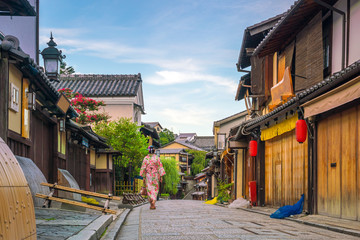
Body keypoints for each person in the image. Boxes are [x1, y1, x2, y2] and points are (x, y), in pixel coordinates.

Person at [140, 145, 165, 210]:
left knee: (149, 188)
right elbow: (160, 167)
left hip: (148, 175)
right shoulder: (157, 158)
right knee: (155, 188)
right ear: (154, 151)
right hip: (155, 175)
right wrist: (161, 176)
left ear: (148, 151)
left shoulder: (146, 158)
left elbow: (143, 168)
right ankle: (153, 201)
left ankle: (151, 201)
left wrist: (144, 177)